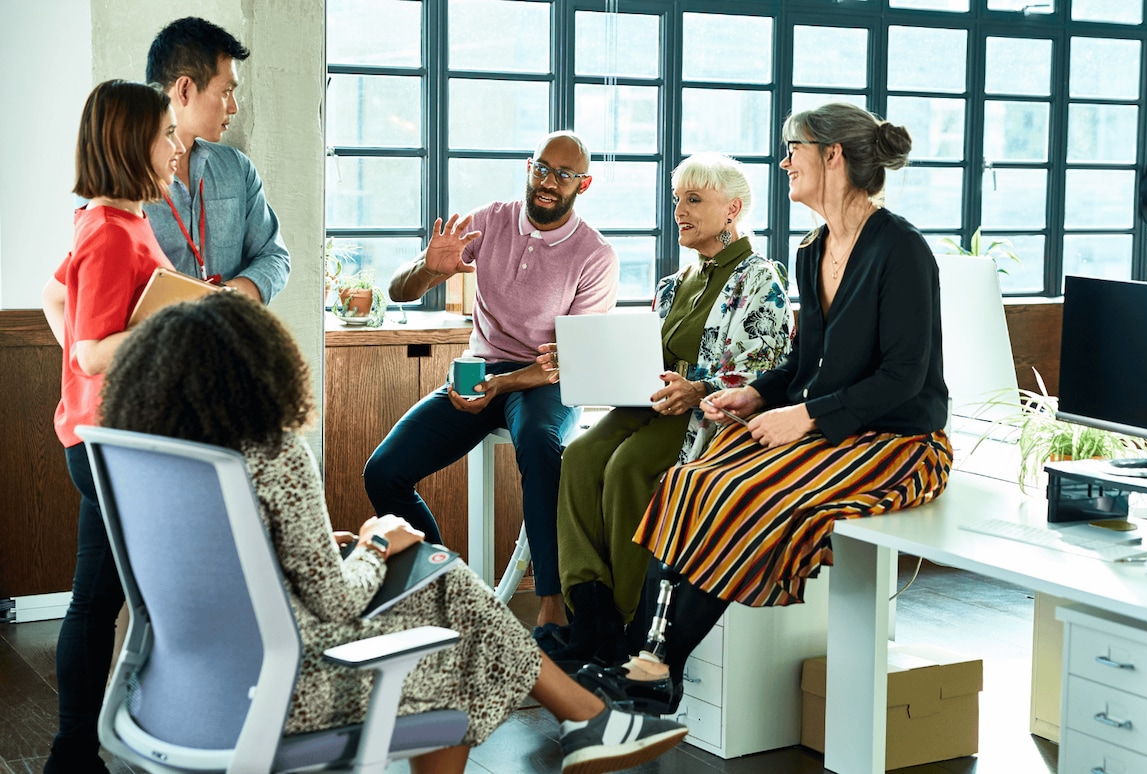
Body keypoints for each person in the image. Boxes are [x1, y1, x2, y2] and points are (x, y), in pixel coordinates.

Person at [99, 291, 687, 774]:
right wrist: (377, 544)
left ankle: (586, 720)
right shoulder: (274, 453)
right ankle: (588, 719)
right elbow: (334, 600)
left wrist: (329, 546)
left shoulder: (152, 460)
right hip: (282, 693)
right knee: (447, 630)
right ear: (258, 370)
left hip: (171, 694)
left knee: (439, 578)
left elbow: (223, 561)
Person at [577, 103, 954, 714]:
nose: (783, 161)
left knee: (739, 491)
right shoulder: (813, 250)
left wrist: (803, 417)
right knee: (688, 482)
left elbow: (904, 380)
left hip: (899, 444)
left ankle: (655, 666)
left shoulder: (902, 251)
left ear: (833, 155)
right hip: (834, 431)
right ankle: (642, 658)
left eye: (792, 147)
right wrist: (757, 393)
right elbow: (808, 362)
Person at [541, 153, 793, 666]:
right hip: (649, 403)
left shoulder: (759, 279)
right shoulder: (675, 283)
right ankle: (590, 611)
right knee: (580, 455)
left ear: (733, 210)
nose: (679, 210)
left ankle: (631, 621)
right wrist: (581, 362)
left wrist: (698, 389)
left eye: (694, 200)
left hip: (703, 413)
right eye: (677, 200)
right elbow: (644, 358)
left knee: (626, 467)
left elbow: (769, 366)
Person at [365, 131, 617, 630]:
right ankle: (446, 589)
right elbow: (399, 291)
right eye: (542, 168)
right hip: (482, 368)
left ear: (582, 185)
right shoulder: (488, 221)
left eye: (564, 175)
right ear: (529, 168)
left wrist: (500, 389)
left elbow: (567, 363)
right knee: (384, 471)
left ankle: (551, 605)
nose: (548, 182)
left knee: (541, 447)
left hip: (546, 382)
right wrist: (429, 269)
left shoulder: (595, 255)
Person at [39, 79, 185, 773]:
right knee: (99, 603)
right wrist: (181, 317)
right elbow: (94, 349)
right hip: (110, 445)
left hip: (109, 439)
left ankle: (87, 749)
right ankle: (75, 753)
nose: (175, 145)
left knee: (106, 600)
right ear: (133, 142)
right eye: (165, 135)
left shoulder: (114, 219)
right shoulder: (107, 229)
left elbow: (53, 295)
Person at [44, 17, 291, 328]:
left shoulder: (237, 169)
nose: (234, 107)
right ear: (185, 89)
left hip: (227, 357)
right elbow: (66, 297)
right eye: (227, 91)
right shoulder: (118, 190)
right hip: (159, 367)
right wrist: (91, 369)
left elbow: (275, 257)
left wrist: (229, 297)